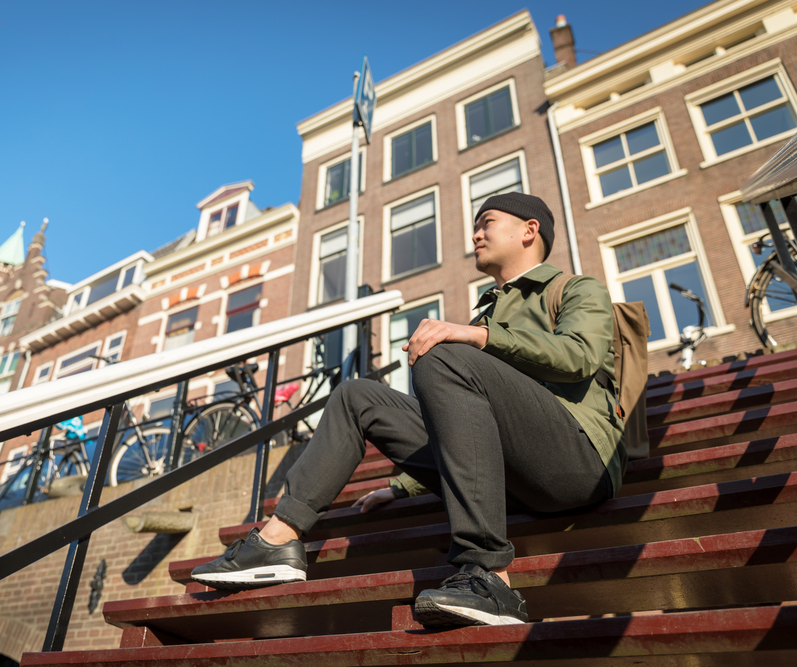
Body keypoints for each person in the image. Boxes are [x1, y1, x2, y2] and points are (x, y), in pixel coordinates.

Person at [192, 192, 626, 628]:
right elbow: (463, 427)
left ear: (529, 230)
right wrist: (400, 487)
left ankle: (489, 576)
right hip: (513, 476)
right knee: (357, 393)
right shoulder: (485, 317)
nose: (475, 234)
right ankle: (278, 539)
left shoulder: (576, 288)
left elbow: (580, 356)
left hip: (578, 461)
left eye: (486, 222)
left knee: (442, 352)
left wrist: (477, 337)